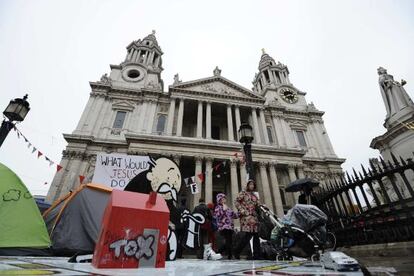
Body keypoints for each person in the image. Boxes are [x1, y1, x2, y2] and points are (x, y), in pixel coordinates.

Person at [233, 179, 261, 260]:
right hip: (246, 217)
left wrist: (261, 206)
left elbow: (257, 204)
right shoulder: (243, 193)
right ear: (248, 185)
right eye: (250, 184)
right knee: (247, 235)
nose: (252, 186)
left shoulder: (255, 195)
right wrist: (242, 211)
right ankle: (237, 251)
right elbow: (236, 202)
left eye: (253, 185)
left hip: (254, 217)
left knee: (256, 235)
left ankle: (257, 255)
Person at [214, 193, 238, 259]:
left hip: (230, 227)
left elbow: (234, 215)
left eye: (224, 198)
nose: (224, 200)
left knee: (229, 242)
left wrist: (240, 212)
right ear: (219, 200)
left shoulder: (228, 208)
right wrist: (223, 210)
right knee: (228, 241)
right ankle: (229, 255)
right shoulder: (217, 208)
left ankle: (220, 252)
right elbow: (217, 216)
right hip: (223, 227)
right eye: (223, 199)